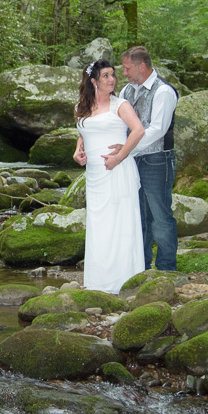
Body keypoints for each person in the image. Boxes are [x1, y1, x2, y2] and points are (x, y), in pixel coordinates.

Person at [72, 59, 147, 294]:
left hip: (117, 172)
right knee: (99, 225)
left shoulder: (120, 105)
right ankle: (98, 282)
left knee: (120, 224)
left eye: (113, 75)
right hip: (94, 175)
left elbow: (138, 131)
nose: (112, 79)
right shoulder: (80, 108)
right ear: (93, 81)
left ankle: (123, 281)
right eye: (106, 76)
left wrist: (120, 156)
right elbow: (83, 132)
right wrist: (78, 149)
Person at [117, 45, 179, 271]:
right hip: (132, 161)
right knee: (139, 216)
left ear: (141, 66)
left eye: (127, 68)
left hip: (157, 160)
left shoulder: (163, 91)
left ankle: (166, 269)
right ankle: (140, 267)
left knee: (160, 216)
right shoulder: (126, 91)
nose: (124, 73)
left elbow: (157, 130)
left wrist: (126, 149)